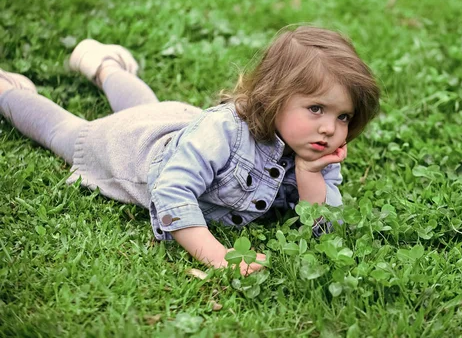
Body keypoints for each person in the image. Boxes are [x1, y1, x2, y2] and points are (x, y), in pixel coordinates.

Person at [0, 26, 380, 275]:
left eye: (343, 116)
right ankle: (9, 92)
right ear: (274, 96)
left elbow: (327, 231)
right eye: (316, 108)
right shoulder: (224, 129)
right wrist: (219, 255)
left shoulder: (318, 151)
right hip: (136, 150)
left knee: (143, 109)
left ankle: (105, 65)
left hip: (179, 123)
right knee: (68, 133)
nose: (331, 128)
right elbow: (172, 191)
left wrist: (311, 176)